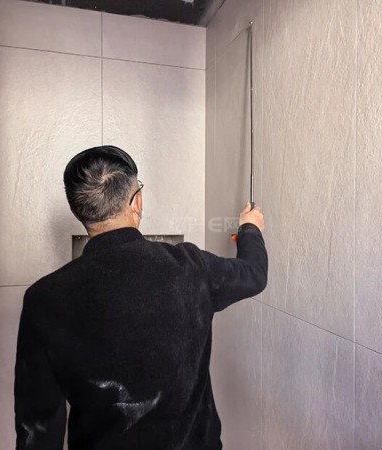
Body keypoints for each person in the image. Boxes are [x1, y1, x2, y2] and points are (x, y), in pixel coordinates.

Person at [14, 145, 267, 449]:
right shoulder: (191, 268)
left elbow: (37, 430)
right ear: (137, 202)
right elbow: (254, 273)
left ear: (78, 210)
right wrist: (250, 228)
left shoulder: (44, 300)